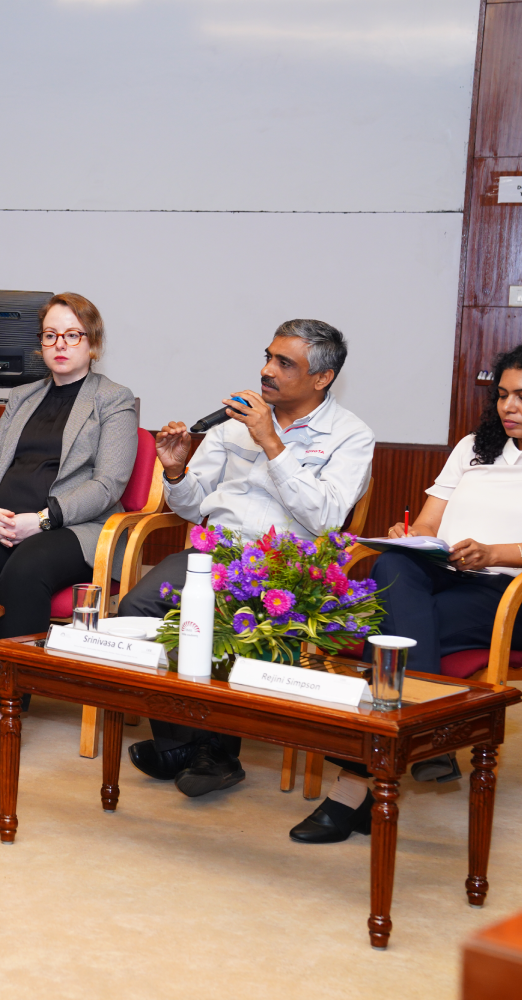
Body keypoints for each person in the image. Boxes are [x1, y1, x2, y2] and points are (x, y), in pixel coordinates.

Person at [291, 339, 522, 844]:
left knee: (389, 636)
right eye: (502, 395)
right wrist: (411, 539)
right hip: (443, 575)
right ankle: (428, 735)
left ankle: (352, 787)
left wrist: (493, 554)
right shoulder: (473, 447)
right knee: (393, 564)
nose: (508, 407)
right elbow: (429, 523)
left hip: (515, 595)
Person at [118, 319, 374, 797]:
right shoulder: (232, 423)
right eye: (268, 357)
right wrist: (175, 471)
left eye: (284, 363)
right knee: (138, 606)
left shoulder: (350, 435)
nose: (266, 371)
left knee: (224, 616)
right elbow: (195, 507)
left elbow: (325, 517)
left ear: (322, 378)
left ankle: (216, 754)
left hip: (286, 563)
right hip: (218, 548)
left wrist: (272, 443)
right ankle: (179, 741)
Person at [0, 292, 137, 769]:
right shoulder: (22, 396)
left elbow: (109, 483)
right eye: (50, 336)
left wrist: (40, 520)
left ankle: (5, 710)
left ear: (93, 343)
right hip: (5, 518)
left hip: (71, 525)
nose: (61, 344)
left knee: (23, 574)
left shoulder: (114, 400)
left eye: (73, 335)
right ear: (40, 344)